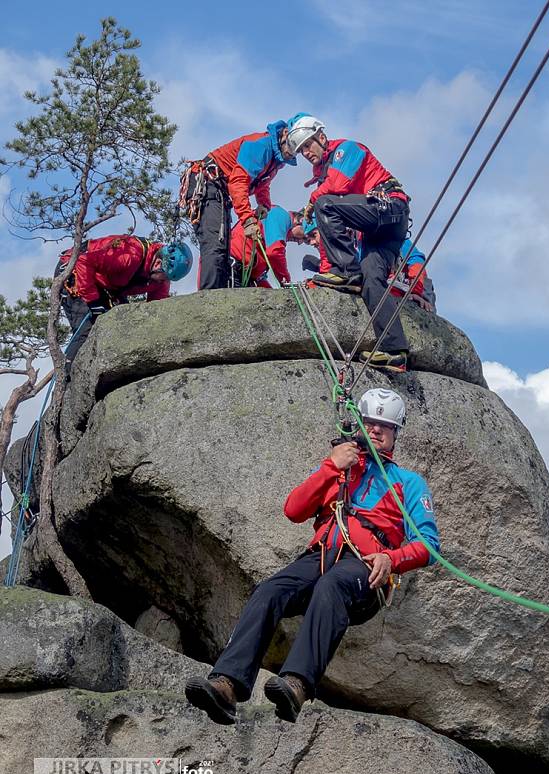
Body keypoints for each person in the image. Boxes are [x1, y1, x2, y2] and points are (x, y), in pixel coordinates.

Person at [185, 387, 440, 725]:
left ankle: (298, 683)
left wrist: (392, 559)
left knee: (332, 586)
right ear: (359, 425)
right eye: (370, 423)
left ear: (396, 433)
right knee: (269, 590)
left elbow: (429, 544)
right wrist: (330, 467)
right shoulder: (340, 470)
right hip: (321, 556)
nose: (376, 430)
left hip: (364, 568)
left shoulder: (408, 483)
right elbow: (294, 509)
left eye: (385, 426)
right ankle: (227, 684)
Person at [287, 113, 411, 374]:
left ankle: (346, 272)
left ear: (322, 137)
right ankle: (394, 350)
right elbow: (327, 230)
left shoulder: (347, 149)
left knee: (325, 203)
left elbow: (339, 186)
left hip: (388, 206)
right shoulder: (326, 175)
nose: (306, 153)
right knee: (371, 278)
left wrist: (314, 198)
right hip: (380, 229)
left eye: (308, 145)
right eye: (301, 151)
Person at [180, 121, 297, 291]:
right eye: (293, 145)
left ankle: (215, 297)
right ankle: (208, 300)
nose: (292, 153)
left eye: (297, 150)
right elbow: (238, 181)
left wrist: (264, 204)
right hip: (208, 182)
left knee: (222, 248)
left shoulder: (275, 161)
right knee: (215, 245)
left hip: (218, 189)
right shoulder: (262, 146)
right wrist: (247, 220)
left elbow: (262, 184)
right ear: (285, 133)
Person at [57, 236, 192, 370]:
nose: (163, 282)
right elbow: (84, 261)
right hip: (75, 269)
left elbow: (156, 312)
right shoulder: (129, 254)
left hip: (104, 285)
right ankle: (67, 378)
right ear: (158, 264)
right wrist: (93, 302)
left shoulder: (160, 279)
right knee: (88, 330)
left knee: (123, 325)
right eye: (164, 277)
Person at [220, 206, 306, 288]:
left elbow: (260, 276)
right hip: (235, 265)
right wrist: (286, 282)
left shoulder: (273, 232)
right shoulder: (281, 215)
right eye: (305, 237)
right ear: (301, 221)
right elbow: (274, 253)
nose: (300, 242)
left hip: (244, 271)